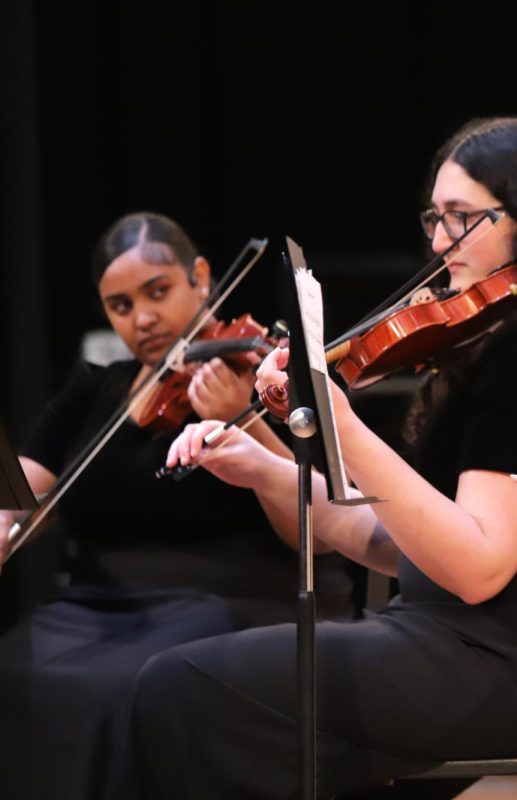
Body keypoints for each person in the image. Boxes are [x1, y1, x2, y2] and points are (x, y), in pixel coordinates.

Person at [114, 117, 517, 799]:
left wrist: (342, 423)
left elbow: (476, 568)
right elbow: (397, 544)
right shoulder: (492, 342)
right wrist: (264, 464)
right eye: (435, 219)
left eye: (463, 219)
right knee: (185, 685)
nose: (441, 243)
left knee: (180, 686)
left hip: (506, 660)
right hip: (450, 640)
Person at [0, 212, 353, 800]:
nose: (141, 318)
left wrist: (249, 420)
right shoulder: (94, 390)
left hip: (234, 604)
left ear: (202, 277)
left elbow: (312, 533)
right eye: (119, 306)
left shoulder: (265, 377)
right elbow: (18, 502)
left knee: (120, 687)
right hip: (99, 607)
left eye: (157, 292)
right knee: (10, 668)